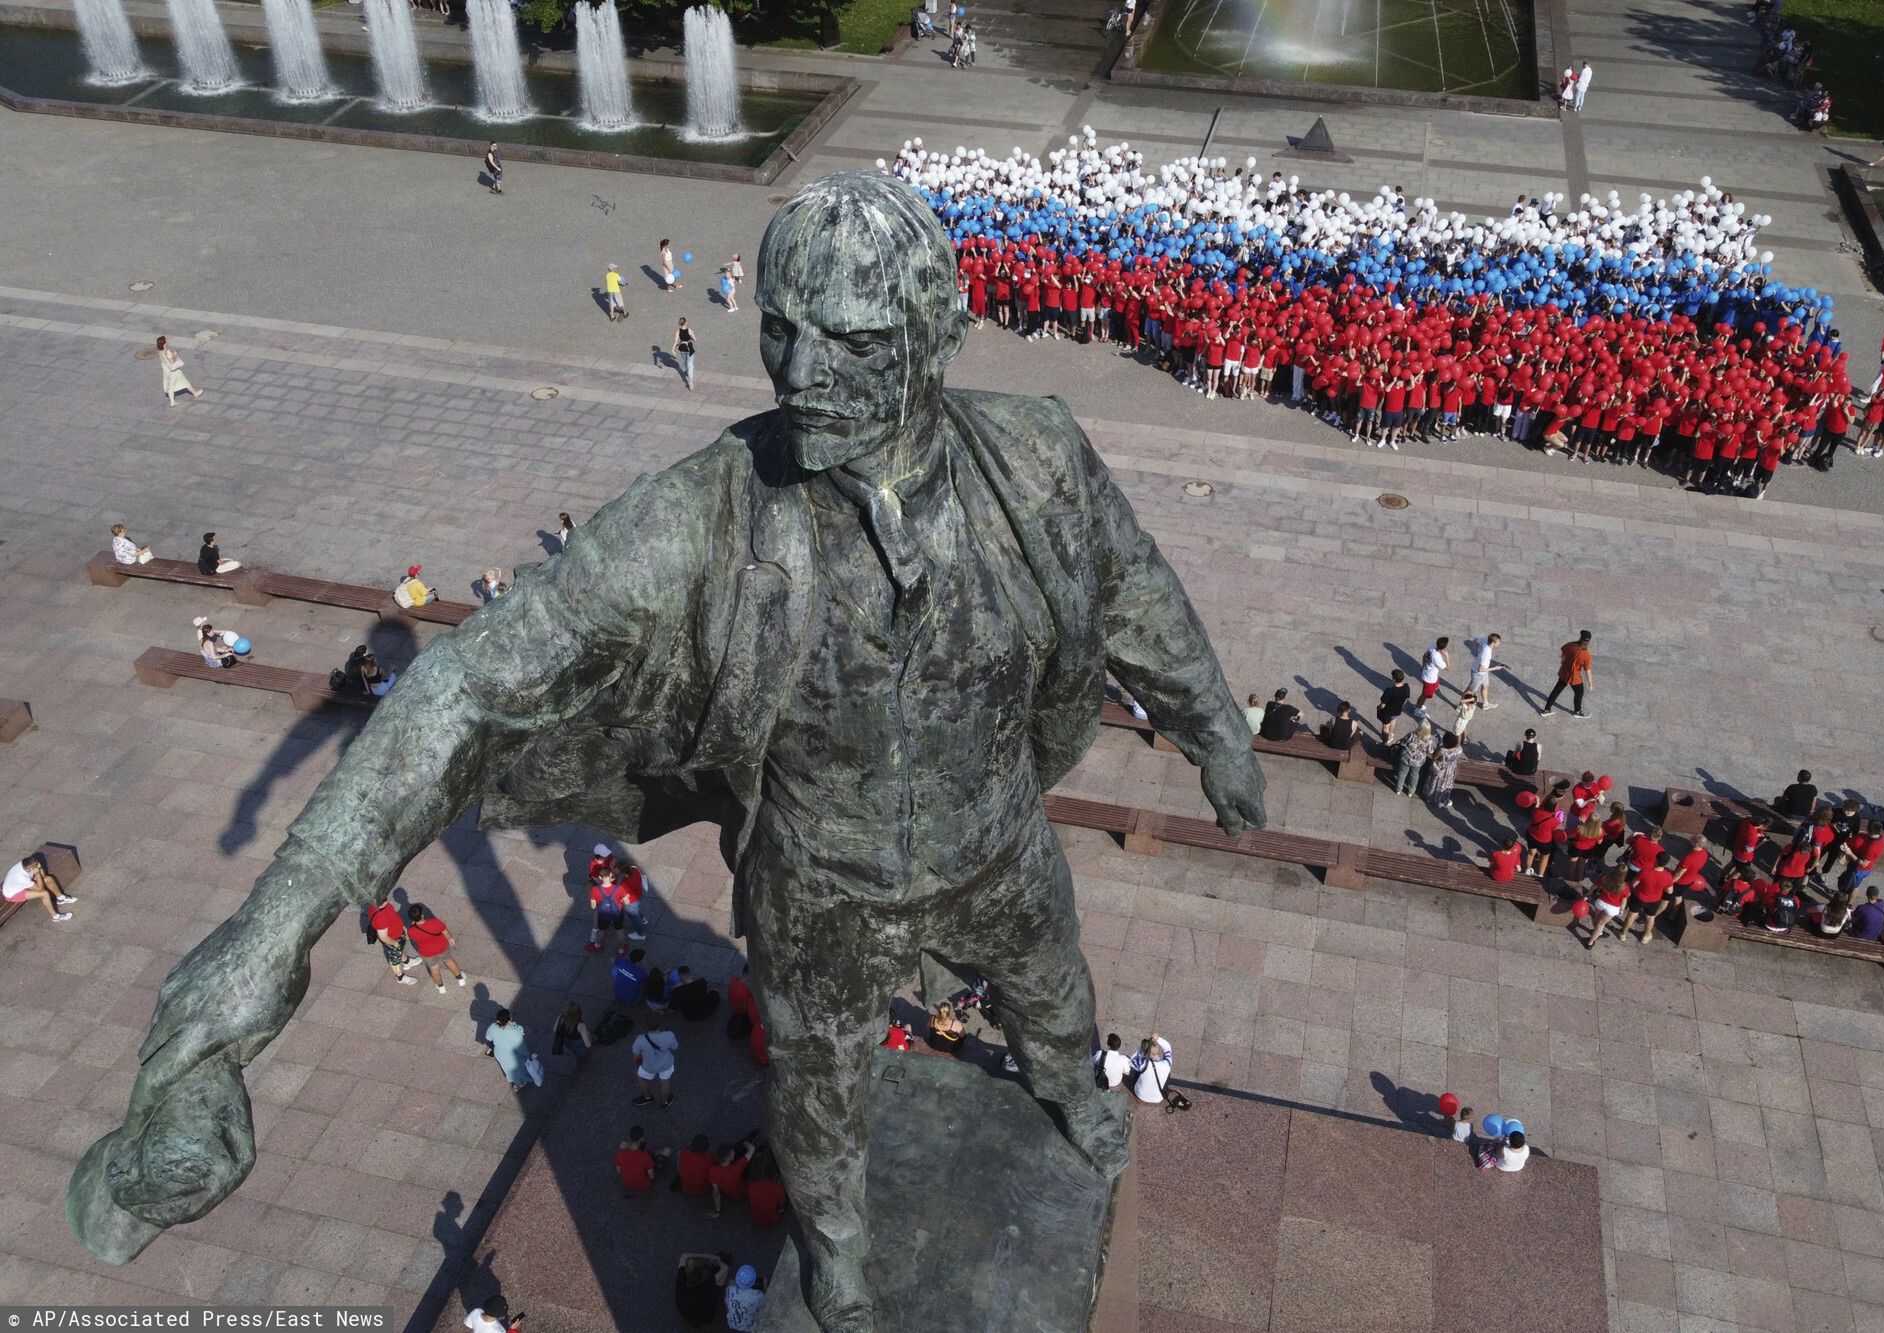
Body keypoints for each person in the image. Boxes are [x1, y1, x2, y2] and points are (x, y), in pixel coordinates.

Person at [72, 176, 1269, 1329]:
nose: (802, 375)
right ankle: (837, 1253)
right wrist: (271, 929)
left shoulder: (1037, 459)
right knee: (820, 1091)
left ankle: (1065, 1086)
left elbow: (1133, 593)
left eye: (848, 341)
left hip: (996, 839)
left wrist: (1213, 724)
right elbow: (468, 684)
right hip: (822, 887)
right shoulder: (704, 513)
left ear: (937, 332)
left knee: (1055, 994)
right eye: (781, 331)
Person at [406, 904, 468, 992]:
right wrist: (450, 938)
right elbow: (445, 931)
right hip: (442, 947)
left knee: (434, 969)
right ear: (422, 915)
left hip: (427, 952)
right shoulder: (434, 922)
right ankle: (460, 979)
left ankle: (441, 987)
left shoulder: (411, 931)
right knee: (449, 960)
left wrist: (413, 923)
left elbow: (414, 938)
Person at [2, 852, 75, 923]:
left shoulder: (26, 864)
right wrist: (37, 873)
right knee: (44, 894)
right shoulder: (22, 877)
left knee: (48, 879)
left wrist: (39, 868)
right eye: (35, 865)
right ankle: (55, 917)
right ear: (30, 869)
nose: (36, 865)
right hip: (13, 894)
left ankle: (61, 898)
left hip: (18, 885)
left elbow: (43, 877)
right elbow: (40, 889)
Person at [365, 890, 416, 984]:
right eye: (385, 898)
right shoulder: (380, 917)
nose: (387, 897)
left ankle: (407, 961)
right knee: (394, 959)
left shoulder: (376, 906)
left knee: (398, 951)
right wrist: (395, 943)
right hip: (393, 939)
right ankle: (400, 977)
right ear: (382, 902)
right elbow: (383, 937)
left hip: (397, 934)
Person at [1539, 631, 1593, 718]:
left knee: (1556, 691)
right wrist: (1590, 684)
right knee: (1579, 693)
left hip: (1564, 673)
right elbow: (1588, 671)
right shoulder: (1586, 655)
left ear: (1580, 638)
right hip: (1575, 677)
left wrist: (1563, 660)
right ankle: (1577, 711)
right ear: (1589, 642)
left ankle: (1546, 710)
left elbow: (1563, 652)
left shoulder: (1571, 645)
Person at [631, 1011, 678, 1106]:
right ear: (660, 1024)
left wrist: (639, 1064)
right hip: (666, 1065)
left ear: (646, 1025)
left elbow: (636, 1054)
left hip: (648, 1066)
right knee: (665, 1083)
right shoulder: (669, 1035)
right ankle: (664, 1102)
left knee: (641, 1079)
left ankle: (647, 1098)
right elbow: (675, 1047)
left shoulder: (640, 1039)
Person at [675, 1252, 730, 1328]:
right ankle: (715, 1267)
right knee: (721, 1278)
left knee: (690, 1261)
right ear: (701, 1281)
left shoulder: (681, 1282)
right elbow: (725, 1268)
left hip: (687, 1312)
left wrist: (710, 1257)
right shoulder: (704, 1287)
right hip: (705, 1317)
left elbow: (684, 1256)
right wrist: (717, 1260)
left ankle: (713, 1265)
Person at [483, 1008, 534, 1089]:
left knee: (507, 1069)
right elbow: (521, 1047)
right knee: (518, 1071)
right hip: (512, 1057)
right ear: (508, 1019)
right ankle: (520, 1083)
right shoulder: (513, 1031)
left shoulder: (492, 1027)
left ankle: (516, 1082)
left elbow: (488, 1038)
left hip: (499, 1054)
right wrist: (528, 1055)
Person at [1392, 721, 1437, 798]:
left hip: (1406, 758)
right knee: (1414, 775)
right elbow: (1430, 752)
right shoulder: (1429, 740)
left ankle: (1398, 789)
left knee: (1402, 773)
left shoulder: (1411, 735)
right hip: (1418, 761)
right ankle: (1411, 791)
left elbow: (1402, 743)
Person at [1128, 1033, 1174, 1105]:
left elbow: (1131, 1061)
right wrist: (1158, 1039)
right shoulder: (1167, 1064)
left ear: (1145, 1053)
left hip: (1139, 1094)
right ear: (1157, 1051)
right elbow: (1168, 1048)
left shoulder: (1142, 1063)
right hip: (1158, 1098)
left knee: (1138, 1070)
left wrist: (1140, 1049)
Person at [1423, 730, 1463, 810]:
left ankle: (1430, 797)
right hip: (1451, 768)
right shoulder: (1459, 749)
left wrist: (1439, 746)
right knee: (1446, 783)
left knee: (1434, 782)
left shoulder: (1443, 750)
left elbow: (1434, 757)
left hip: (1441, 768)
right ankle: (1443, 798)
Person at [157, 337, 201, 407]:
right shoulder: (167, 352)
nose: (167, 342)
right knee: (185, 382)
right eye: (166, 341)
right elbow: (172, 361)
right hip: (174, 372)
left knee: (171, 387)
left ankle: (172, 402)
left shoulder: (160, 352)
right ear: (164, 344)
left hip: (167, 372)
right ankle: (195, 393)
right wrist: (175, 355)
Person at [614, 1125, 658, 1193]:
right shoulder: (645, 1156)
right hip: (644, 1184)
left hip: (627, 1183)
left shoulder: (620, 1154)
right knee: (667, 1151)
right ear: (642, 1138)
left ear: (629, 1137)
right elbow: (651, 1176)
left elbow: (619, 1170)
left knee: (623, 1144)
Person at [1466, 633, 1504, 710]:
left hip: (1483, 673)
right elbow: (1481, 669)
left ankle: (1485, 704)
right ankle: (1460, 706)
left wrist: (1478, 651)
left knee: (1485, 685)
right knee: (1470, 691)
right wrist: (1495, 668)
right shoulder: (1486, 653)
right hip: (1478, 673)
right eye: (1498, 642)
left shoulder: (1485, 639)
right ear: (1493, 643)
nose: (1500, 643)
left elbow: (1475, 640)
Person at [551, 1000, 591, 1068]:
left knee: (574, 1051)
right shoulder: (581, 1025)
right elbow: (588, 1044)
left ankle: (578, 1061)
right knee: (581, 1053)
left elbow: (555, 1029)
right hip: (577, 1043)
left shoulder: (561, 1017)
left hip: (566, 1041)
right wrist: (589, 1037)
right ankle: (583, 1063)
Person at [724, 1266, 764, 1333]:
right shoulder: (758, 1295)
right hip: (748, 1329)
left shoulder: (730, 1290)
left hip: (732, 1325)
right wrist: (765, 1286)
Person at [1377, 669, 1412, 744]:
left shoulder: (1389, 691)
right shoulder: (1406, 687)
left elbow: (1383, 705)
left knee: (1385, 726)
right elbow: (1406, 699)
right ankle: (1390, 735)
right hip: (1397, 710)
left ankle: (1385, 741)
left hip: (1387, 712)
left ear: (1393, 678)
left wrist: (1379, 708)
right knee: (1393, 719)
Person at [1418, 636, 1451, 710]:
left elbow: (1424, 656)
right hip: (1430, 679)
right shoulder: (1437, 658)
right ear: (1444, 647)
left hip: (1427, 673)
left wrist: (1424, 666)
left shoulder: (1431, 646)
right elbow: (1448, 668)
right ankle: (1418, 707)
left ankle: (1419, 705)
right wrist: (1447, 656)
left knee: (1434, 687)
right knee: (1424, 695)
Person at [674, 317, 697, 388]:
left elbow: (676, 341)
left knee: (685, 362)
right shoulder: (689, 330)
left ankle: (687, 372)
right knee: (690, 364)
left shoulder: (678, 331)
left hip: (682, 348)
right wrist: (690, 338)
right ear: (685, 322)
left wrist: (673, 348)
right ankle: (690, 380)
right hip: (689, 348)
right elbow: (695, 339)